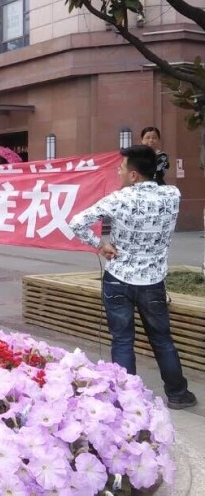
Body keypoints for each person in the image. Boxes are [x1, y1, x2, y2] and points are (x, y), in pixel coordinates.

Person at [68, 145, 197, 410]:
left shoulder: (118, 199)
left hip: (118, 279)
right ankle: (178, 394)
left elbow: (77, 222)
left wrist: (100, 244)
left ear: (133, 175)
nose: (118, 172)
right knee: (162, 339)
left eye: (121, 168)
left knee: (122, 340)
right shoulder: (173, 194)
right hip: (153, 282)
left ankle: (128, 400)